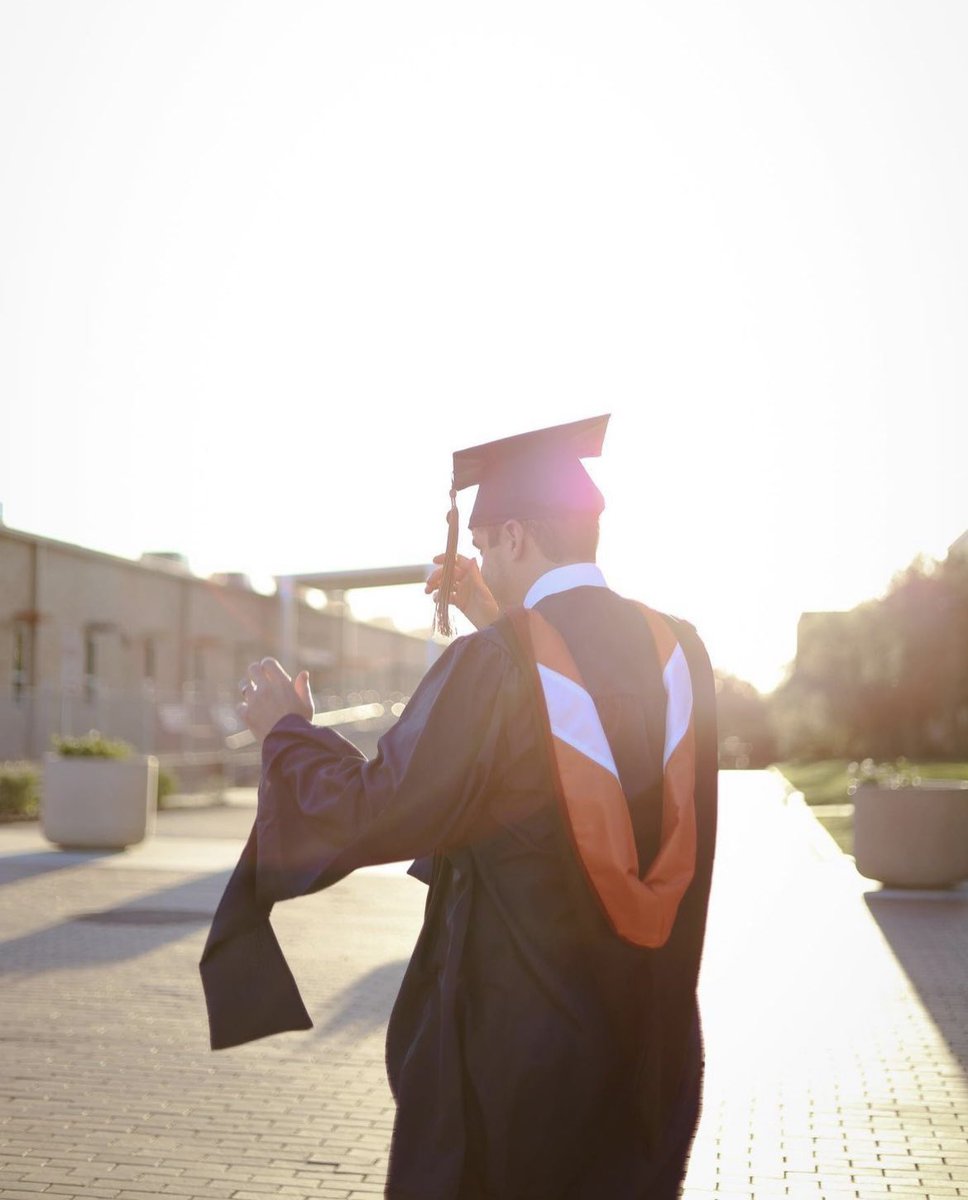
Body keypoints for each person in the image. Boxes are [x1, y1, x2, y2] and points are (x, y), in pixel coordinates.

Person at [200, 414, 718, 1199]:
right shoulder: (679, 650)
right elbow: (573, 744)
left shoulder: (498, 663)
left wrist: (288, 737)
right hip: (650, 1051)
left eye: (482, 546)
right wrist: (497, 617)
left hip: (516, 1055)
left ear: (513, 535)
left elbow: (385, 806)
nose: (477, 561)